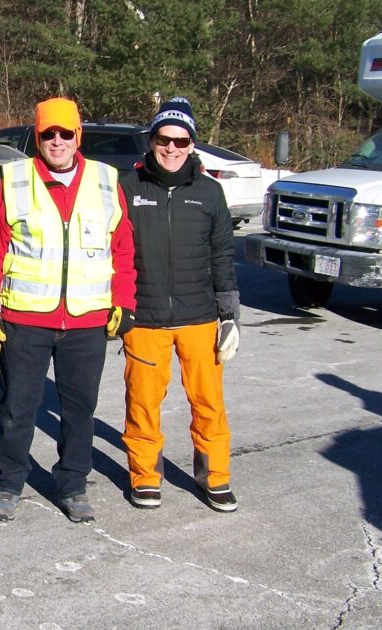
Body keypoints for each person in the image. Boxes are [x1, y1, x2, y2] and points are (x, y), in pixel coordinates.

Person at [0, 97, 136, 523]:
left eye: (66, 132)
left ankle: (73, 484)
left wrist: (124, 301)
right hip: (25, 319)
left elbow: (122, 248)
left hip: (87, 321)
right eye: (48, 133)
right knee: (17, 408)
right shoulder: (13, 180)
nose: (57, 141)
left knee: (79, 410)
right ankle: (9, 483)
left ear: (78, 136)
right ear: (37, 136)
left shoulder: (106, 181)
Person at [117, 96, 241, 513]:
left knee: (208, 404)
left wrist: (230, 317)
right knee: (142, 404)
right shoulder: (128, 187)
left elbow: (222, 254)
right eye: (163, 139)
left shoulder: (209, 192)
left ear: (193, 145)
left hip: (199, 318)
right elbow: (111, 249)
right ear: (151, 141)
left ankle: (216, 477)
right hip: (145, 319)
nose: (172, 148)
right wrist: (117, 306)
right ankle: (145, 476)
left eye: (181, 141)